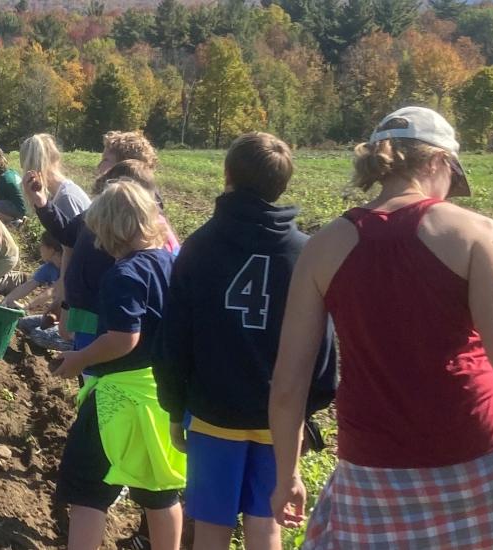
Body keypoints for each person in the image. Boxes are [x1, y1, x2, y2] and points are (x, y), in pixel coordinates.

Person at [268, 107, 493, 548]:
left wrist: (286, 476)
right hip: (486, 462)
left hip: (374, 477)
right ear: (438, 162)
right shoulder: (475, 233)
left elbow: (288, 384)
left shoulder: (321, 247)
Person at [157, 133, 337, 550]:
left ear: (227, 176)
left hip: (212, 413)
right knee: (266, 523)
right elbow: (324, 348)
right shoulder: (304, 253)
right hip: (280, 420)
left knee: (211, 528)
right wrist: (306, 411)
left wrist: (173, 405)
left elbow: (174, 339)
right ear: (283, 184)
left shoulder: (200, 247)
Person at [52, 180, 187, 550]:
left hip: (119, 400)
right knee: (159, 490)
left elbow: (123, 338)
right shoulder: (171, 262)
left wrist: (78, 358)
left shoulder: (123, 275)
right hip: (160, 397)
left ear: (108, 229)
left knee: (86, 490)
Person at [31, 160, 164, 353]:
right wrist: (43, 205)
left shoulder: (128, 258)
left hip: (100, 319)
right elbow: (68, 233)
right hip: (81, 311)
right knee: (86, 365)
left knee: (92, 363)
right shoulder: (97, 215)